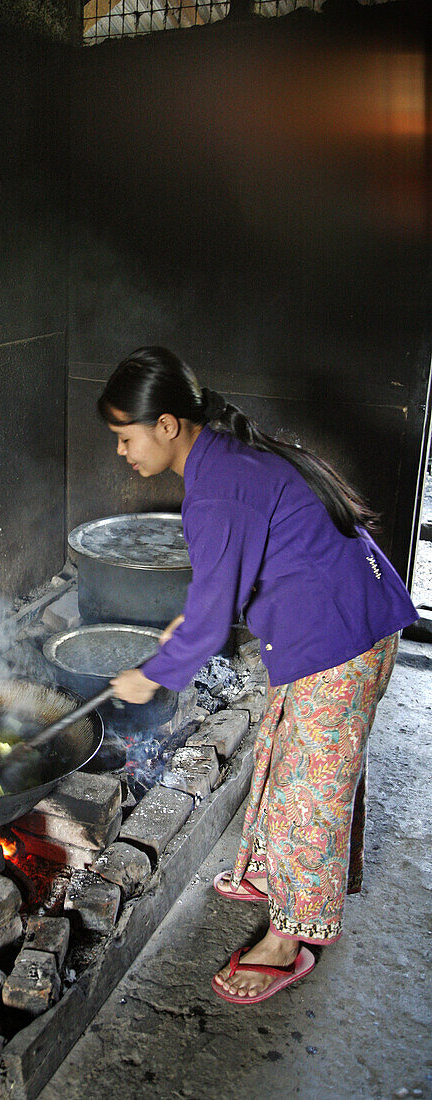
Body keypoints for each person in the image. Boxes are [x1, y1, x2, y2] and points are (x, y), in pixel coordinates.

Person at [101, 346, 418, 1005]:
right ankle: (273, 872)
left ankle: (289, 940)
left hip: (343, 638)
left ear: (166, 426)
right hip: (326, 623)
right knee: (285, 753)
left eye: (125, 438)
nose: (122, 453)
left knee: (312, 791)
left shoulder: (215, 490)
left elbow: (213, 624)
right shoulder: (227, 459)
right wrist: (186, 625)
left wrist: (152, 674)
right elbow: (233, 580)